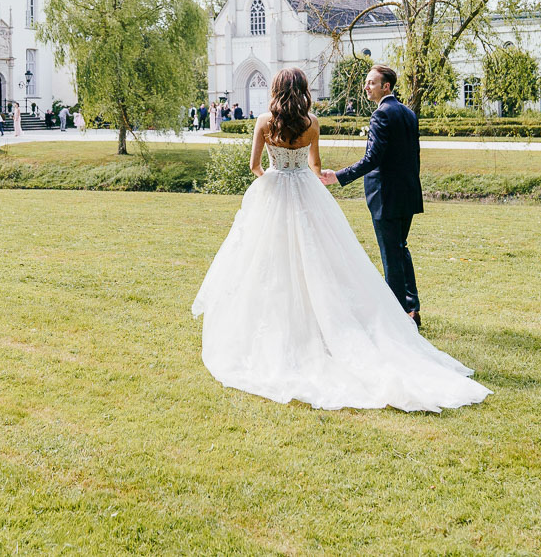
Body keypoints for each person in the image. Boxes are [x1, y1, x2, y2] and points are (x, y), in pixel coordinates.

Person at [192, 67, 488, 413]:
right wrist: (306, 178)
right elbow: (315, 166)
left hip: (273, 189)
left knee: (265, 262)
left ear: (275, 89)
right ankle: (386, 311)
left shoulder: (263, 122)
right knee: (325, 260)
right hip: (306, 189)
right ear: (302, 90)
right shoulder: (311, 123)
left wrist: (272, 178)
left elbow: (254, 166)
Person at [319, 65, 424, 325]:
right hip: (408, 193)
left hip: (386, 196)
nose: (366, 87)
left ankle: (397, 315)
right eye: (367, 83)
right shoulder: (409, 114)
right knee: (401, 249)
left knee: (391, 254)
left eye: (371, 83)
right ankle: (412, 308)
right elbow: (413, 157)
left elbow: (372, 159)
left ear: (385, 86)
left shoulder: (381, 115)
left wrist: (339, 176)